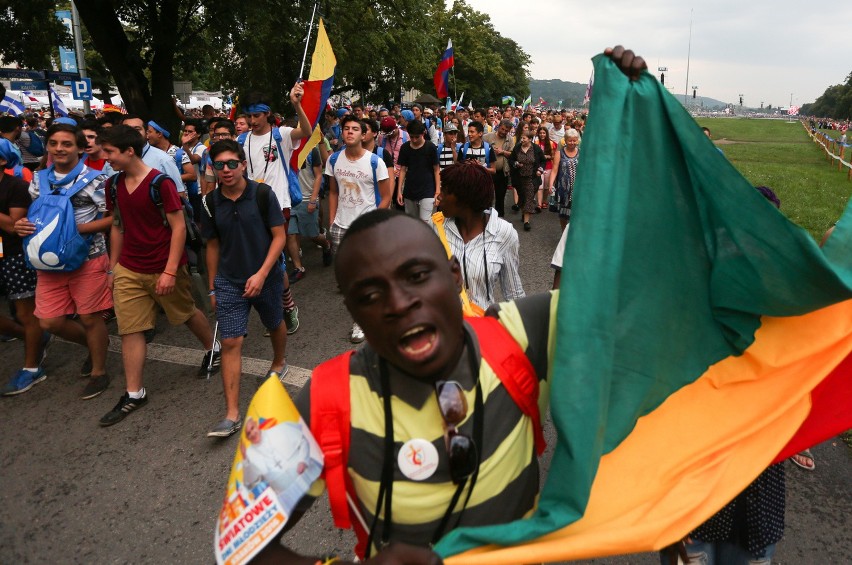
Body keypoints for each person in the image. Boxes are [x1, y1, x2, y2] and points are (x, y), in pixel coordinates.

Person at [97, 125, 219, 427]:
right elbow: (117, 225)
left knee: (185, 313)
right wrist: (113, 267)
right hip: (128, 267)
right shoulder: (112, 185)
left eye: (109, 152)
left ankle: (212, 348)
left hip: (164, 266)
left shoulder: (159, 183)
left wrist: (168, 270)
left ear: (128, 151)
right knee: (130, 329)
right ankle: (134, 392)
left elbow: (178, 227)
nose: (105, 157)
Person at [11, 122, 113, 399]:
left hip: (88, 258)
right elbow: (34, 214)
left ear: (80, 148)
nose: (59, 148)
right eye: (54, 143)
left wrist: (74, 229)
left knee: (91, 317)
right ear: (47, 147)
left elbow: (113, 218)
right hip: (48, 262)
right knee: (49, 321)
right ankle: (94, 347)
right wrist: (22, 225)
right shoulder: (38, 179)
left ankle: (99, 371)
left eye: (67, 144)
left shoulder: (97, 179)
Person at [202, 140, 288, 438]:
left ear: (243, 165)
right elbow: (212, 245)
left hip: (266, 276)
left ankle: (279, 361)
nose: (226, 170)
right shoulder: (211, 202)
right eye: (219, 165)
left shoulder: (262, 194)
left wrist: (262, 273)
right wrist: (213, 286)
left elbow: (279, 236)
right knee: (230, 342)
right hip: (229, 281)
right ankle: (231, 414)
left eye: (231, 163)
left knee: (275, 322)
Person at [325, 115, 391, 343]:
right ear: (341, 133)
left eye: (355, 129)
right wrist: (332, 221)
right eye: (346, 129)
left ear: (363, 135)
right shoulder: (334, 160)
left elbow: (386, 197)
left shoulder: (375, 162)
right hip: (341, 227)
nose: (350, 132)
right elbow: (333, 192)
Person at [434, 161, 524, 309]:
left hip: (480, 329)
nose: (439, 196)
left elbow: (514, 294)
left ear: (463, 198)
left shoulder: (504, 233)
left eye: (444, 191)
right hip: (442, 327)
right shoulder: (436, 227)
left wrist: (522, 327)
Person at [0, 145, 49, 396]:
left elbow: (14, 227)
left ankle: (31, 368)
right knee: (25, 322)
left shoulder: (15, 187)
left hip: (13, 256)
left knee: (26, 313)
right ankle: (34, 337)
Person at [240, 416, 322, 512]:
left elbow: (302, 441)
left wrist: (303, 461)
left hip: (309, 477)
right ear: (247, 438)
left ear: (256, 424)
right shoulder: (250, 454)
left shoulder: (278, 429)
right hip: (288, 495)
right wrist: (246, 459)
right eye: (248, 434)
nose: (252, 434)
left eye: (252, 428)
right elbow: (250, 483)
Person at [397, 119, 440, 223]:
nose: (414, 140)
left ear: (423, 134)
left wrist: (438, 191)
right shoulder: (405, 147)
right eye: (412, 137)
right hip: (409, 190)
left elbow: (436, 169)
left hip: (428, 190)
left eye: (417, 137)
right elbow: (402, 170)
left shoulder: (430, 147)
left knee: (426, 223)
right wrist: (399, 191)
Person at [508, 130, 546, 231]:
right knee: (522, 197)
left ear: (530, 139)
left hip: (531, 178)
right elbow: (511, 160)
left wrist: (540, 170)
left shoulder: (536, 149)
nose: (522, 140)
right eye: (521, 138)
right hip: (519, 178)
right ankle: (524, 212)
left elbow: (543, 161)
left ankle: (526, 222)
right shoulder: (517, 148)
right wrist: (516, 164)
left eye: (524, 138)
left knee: (529, 197)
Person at [483, 119, 513, 217]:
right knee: (487, 195)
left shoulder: (510, 139)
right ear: (499, 127)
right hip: (488, 171)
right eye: (502, 129)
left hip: (502, 172)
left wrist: (503, 152)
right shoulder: (487, 137)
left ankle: (499, 218)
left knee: (500, 196)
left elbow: (513, 155)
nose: (503, 132)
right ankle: (486, 217)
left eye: (506, 131)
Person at [553, 128, 580, 231]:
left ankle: (574, 234)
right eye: (570, 140)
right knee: (563, 214)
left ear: (577, 140)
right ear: (565, 140)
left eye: (574, 140)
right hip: (563, 188)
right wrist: (551, 184)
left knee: (576, 212)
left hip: (577, 188)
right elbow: (555, 170)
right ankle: (564, 233)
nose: (572, 142)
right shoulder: (559, 153)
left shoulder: (581, 153)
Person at [535, 126, 559, 209]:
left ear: (546, 134)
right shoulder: (536, 142)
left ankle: (544, 201)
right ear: (538, 133)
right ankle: (539, 204)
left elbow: (554, 156)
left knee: (546, 187)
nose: (542, 134)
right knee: (540, 186)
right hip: (539, 166)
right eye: (540, 133)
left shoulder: (552, 143)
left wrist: (547, 157)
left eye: (544, 133)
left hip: (548, 166)